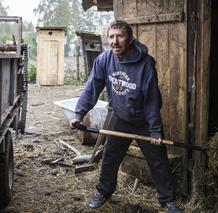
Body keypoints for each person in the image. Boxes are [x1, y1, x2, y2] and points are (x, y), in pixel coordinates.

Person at [69, 20, 183, 213]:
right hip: (120, 118)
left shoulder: (146, 63)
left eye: (120, 36)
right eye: (111, 37)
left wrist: (155, 130)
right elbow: (92, 89)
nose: (115, 41)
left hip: (144, 122)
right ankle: (103, 193)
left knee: (158, 161)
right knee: (109, 158)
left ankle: (168, 200)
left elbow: (152, 100)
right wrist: (79, 114)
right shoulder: (104, 60)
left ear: (129, 39)